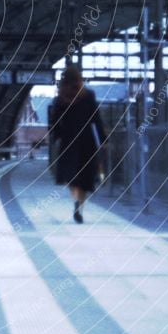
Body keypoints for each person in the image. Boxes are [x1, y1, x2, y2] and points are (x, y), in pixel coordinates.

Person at [49, 65, 107, 223]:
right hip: (86, 141)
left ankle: (75, 200)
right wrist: (102, 139)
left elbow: (54, 121)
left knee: (71, 176)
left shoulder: (60, 98)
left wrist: (57, 136)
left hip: (68, 140)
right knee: (85, 177)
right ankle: (80, 207)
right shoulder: (88, 95)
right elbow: (96, 118)